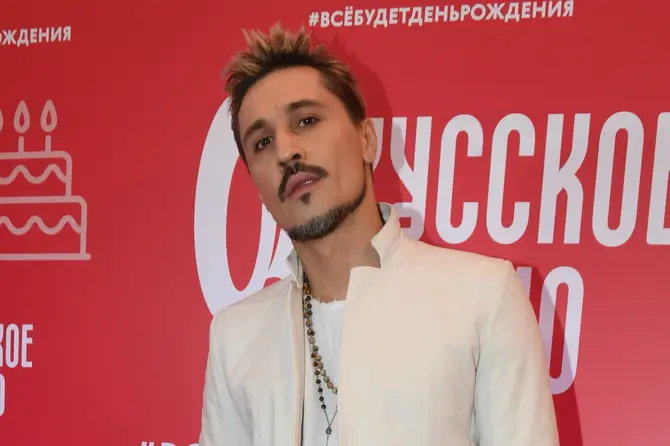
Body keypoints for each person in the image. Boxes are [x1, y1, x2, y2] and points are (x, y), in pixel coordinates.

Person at [198, 23, 560, 446]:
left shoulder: (482, 296)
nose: (286, 151)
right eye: (262, 142)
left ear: (367, 139)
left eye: (307, 120)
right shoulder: (236, 336)